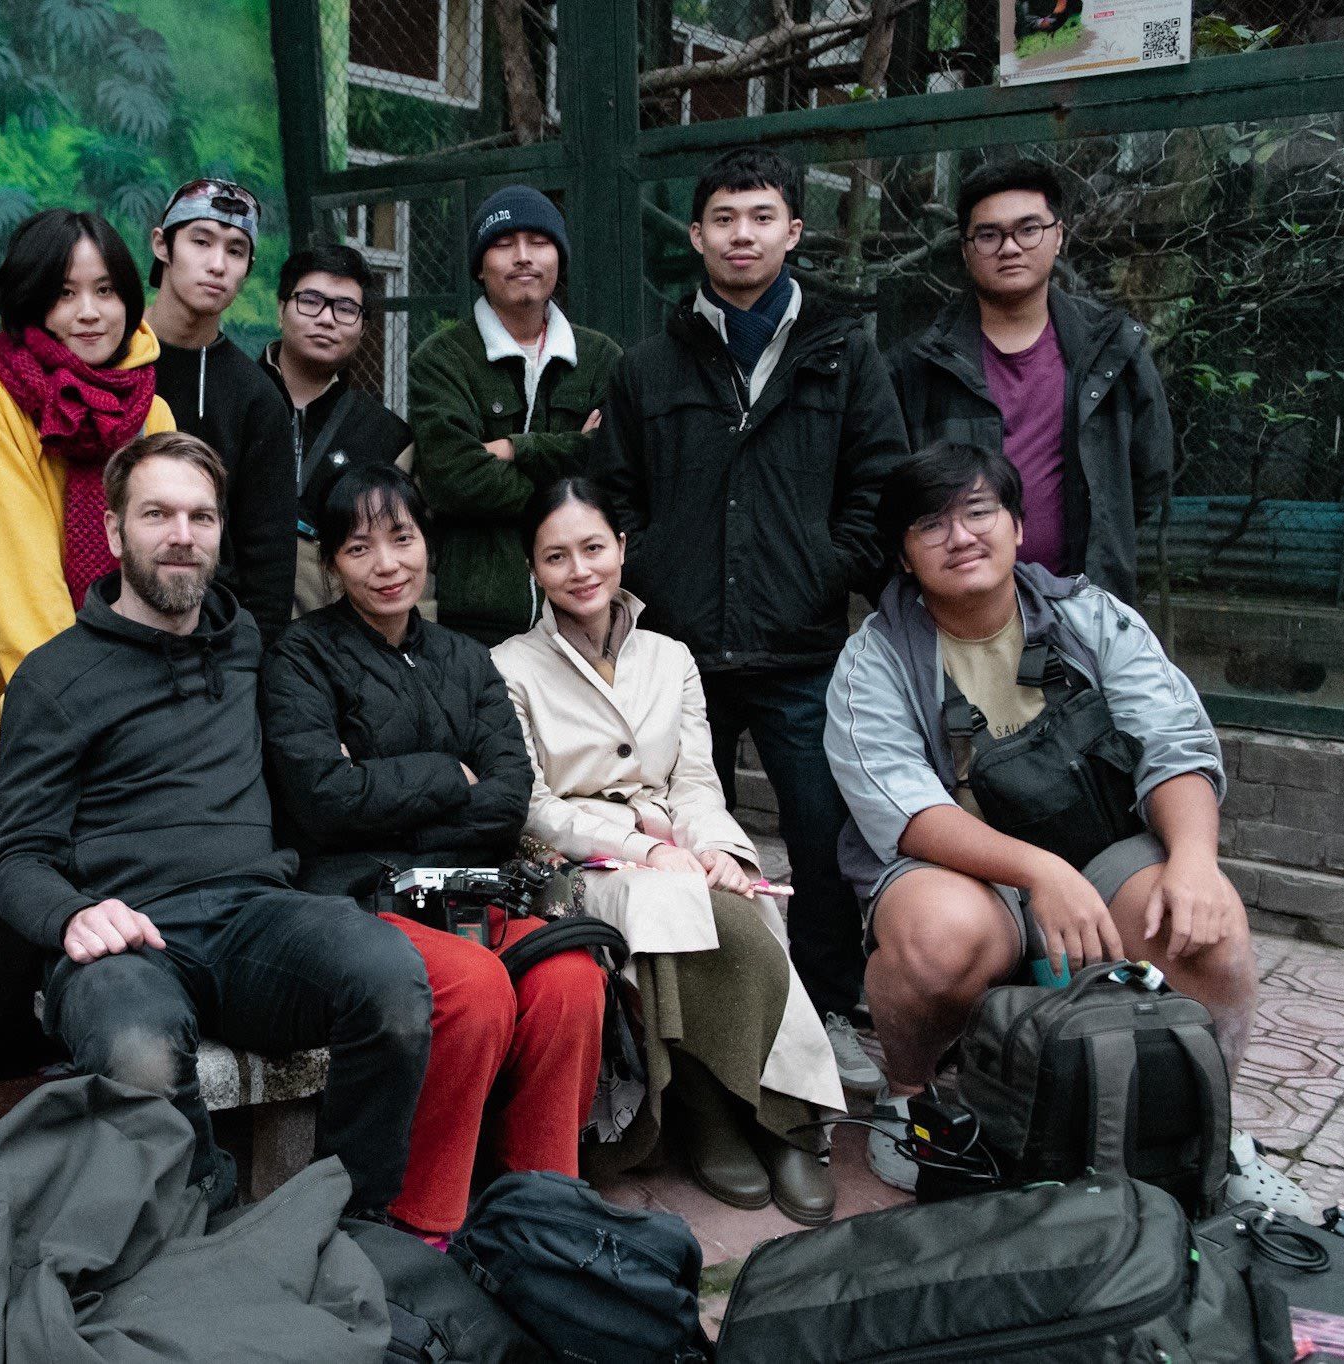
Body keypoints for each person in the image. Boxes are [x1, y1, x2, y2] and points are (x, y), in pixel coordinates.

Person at [824, 443, 1309, 1214]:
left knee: (1206, 929)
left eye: (978, 512)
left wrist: (1194, 860)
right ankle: (911, 1103)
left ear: (1018, 526)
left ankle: (1210, 1127)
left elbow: (1173, 743)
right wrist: (1039, 872)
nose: (960, 536)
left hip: (1106, 855)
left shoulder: (1091, 617)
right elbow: (903, 807)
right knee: (936, 938)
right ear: (905, 556)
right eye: (930, 525)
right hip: (969, 875)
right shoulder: (876, 657)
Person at [0, 431, 434, 1215]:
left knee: (389, 978)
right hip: (128, 939)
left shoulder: (245, 645)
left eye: (201, 516)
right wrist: (73, 916)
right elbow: (16, 857)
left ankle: (349, 1219)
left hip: (253, 919)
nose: (182, 535)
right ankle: (203, 1239)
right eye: (156, 514)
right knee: (139, 1049)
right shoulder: (53, 679)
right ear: (114, 530)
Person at [595, 146, 909, 1094]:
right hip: (679, 650)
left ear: (793, 231)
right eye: (724, 218)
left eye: (762, 216)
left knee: (822, 834)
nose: (743, 235)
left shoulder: (844, 354)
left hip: (801, 647)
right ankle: (703, 1028)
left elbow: (880, 483)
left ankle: (825, 1005)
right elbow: (616, 494)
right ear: (696, 235)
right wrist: (653, 571)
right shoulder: (648, 367)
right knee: (684, 838)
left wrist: (828, 569)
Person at [260, 464, 604, 1240]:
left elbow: (508, 797)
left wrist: (379, 787)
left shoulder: (467, 659)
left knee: (571, 978)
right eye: (359, 548)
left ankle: (545, 1213)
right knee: (472, 987)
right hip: (358, 897)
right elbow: (322, 800)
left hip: (474, 887)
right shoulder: (300, 660)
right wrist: (449, 774)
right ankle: (422, 1224)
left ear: (428, 544)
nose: (386, 565)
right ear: (331, 564)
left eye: (402, 539)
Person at [492, 479, 844, 1225]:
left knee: (743, 900)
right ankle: (716, 1111)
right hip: (572, 862)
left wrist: (716, 848)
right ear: (533, 568)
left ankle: (777, 1118)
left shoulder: (670, 656)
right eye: (556, 556)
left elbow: (695, 780)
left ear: (622, 548)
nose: (580, 570)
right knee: (665, 904)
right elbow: (533, 805)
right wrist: (639, 850)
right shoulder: (509, 664)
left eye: (594, 547)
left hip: (675, 839)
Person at [0, 208, 173, 1084]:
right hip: (15, 733)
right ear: (29, 300)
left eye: (106, 290)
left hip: (129, 742)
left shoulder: (153, 408)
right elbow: (19, 585)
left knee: (112, 973)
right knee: (6, 990)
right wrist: (100, 718)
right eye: (64, 292)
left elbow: (161, 574)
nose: (88, 312)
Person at [888, 159, 1172, 602]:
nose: (1009, 248)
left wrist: (1099, 535)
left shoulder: (1113, 351)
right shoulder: (919, 365)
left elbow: (1148, 479)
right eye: (988, 235)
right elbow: (892, 499)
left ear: (1058, 236)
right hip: (956, 611)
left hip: (1083, 607)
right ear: (965, 250)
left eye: (1028, 229)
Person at [410, 185, 620, 646]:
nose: (523, 257)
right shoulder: (442, 359)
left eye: (539, 242)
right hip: (475, 618)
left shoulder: (601, 357)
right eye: (504, 244)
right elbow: (453, 477)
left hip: (583, 612)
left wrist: (513, 448)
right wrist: (571, 463)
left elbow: (611, 468)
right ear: (479, 267)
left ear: (559, 259)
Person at [147, 178, 294, 644]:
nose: (217, 265)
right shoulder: (107, 359)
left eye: (235, 250)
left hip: (209, 637)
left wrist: (251, 661)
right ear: (162, 245)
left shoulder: (257, 397)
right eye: (201, 241)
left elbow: (269, 559)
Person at [258, 243, 416, 616]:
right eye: (310, 301)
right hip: (228, 626)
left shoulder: (387, 437)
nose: (327, 319)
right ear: (281, 309)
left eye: (345, 309)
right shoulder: (231, 397)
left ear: (363, 328)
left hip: (336, 634)